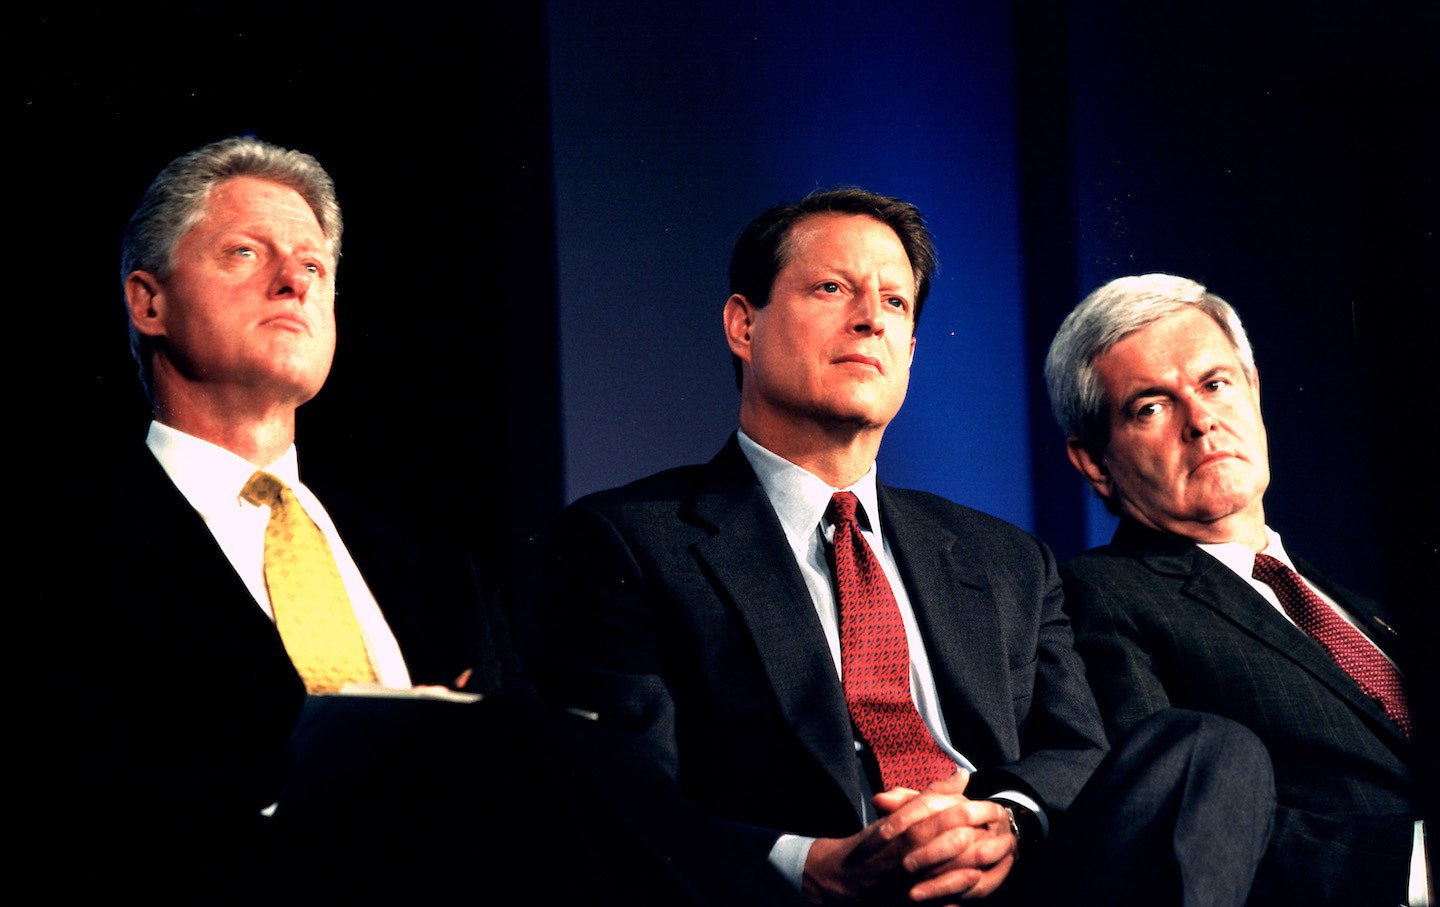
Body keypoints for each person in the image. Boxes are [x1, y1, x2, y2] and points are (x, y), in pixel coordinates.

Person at [538, 190, 1274, 905]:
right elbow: (625, 797)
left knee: (1209, 747)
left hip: (1018, 884)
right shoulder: (629, 540)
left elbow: (1081, 751)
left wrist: (1007, 818)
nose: (870, 320)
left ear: (912, 350)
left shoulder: (1008, 559)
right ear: (743, 324)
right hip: (805, 893)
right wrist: (810, 865)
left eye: (895, 302)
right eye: (832, 288)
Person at [36, 136, 517, 903]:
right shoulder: (60, 551)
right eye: (244, 253)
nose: (294, 280)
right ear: (147, 301)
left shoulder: (439, 571)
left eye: (315, 266)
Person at [1045, 273, 1425, 907]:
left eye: (1215, 384)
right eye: (1151, 406)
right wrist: (1415, 868)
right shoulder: (1098, 598)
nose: (1201, 421)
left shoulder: (1369, 613)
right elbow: (1183, 825)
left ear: (1254, 394)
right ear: (1093, 462)